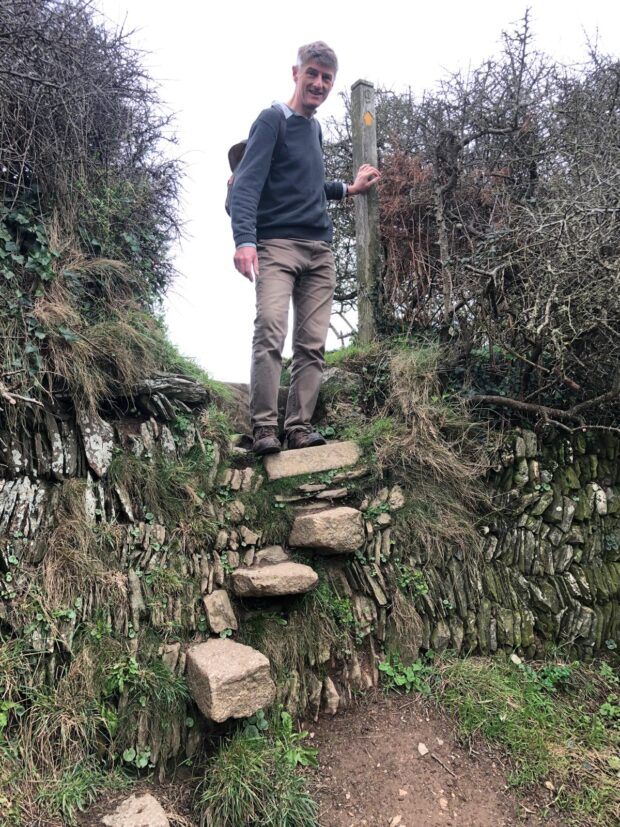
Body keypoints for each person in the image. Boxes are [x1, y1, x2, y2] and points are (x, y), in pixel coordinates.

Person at [229, 41, 380, 456]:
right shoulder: (272, 120)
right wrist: (244, 239)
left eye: (326, 78)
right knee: (271, 331)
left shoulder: (314, 129)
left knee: (312, 344)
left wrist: (349, 189)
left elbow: (308, 185)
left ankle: (298, 427)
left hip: (319, 252)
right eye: (311, 73)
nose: (318, 83)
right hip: (276, 246)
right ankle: (264, 429)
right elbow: (246, 185)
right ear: (295, 73)